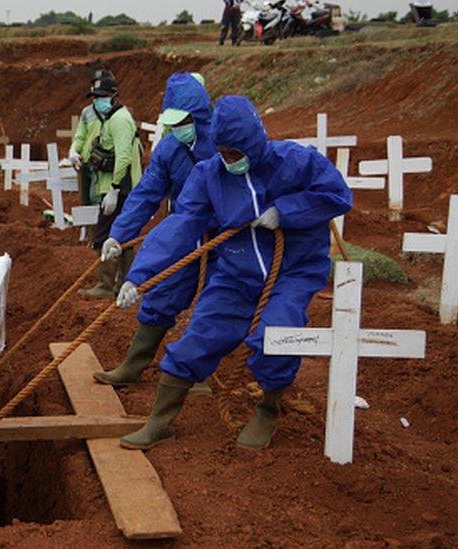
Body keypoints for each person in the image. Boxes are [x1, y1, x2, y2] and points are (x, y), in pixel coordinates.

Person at [117, 96, 352, 451]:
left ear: (253, 142)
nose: (229, 160)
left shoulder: (296, 162)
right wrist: (140, 275)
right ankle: (160, 422)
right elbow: (182, 223)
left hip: (292, 270)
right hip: (237, 270)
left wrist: (285, 211)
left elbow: (337, 195)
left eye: (235, 152)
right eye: (223, 152)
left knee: (274, 335)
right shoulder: (209, 175)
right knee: (200, 335)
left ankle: (268, 409)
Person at [94, 72, 217, 386]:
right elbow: (147, 194)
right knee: (164, 292)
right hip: (184, 232)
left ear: (199, 115)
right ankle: (133, 367)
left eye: (183, 122)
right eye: (172, 123)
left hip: (225, 235)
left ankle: (197, 376)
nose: (177, 129)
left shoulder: (223, 141)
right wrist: (118, 235)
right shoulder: (169, 149)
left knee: (215, 303)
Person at [76, 75, 142, 300]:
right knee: (119, 232)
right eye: (95, 97)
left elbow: (123, 157)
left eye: (101, 96)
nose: (97, 101)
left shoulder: (120, 120)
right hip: (112, 185)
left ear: (113, 96)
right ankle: (118, 283)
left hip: (121, 187)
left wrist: (114, 189)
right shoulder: (109, 117)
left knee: (107, 233)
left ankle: (107, 285)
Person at [65, 68, 114, 207]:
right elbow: (80, 137)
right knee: (88, 206)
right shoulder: (87, 112)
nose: (99, 99)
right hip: (88, 167)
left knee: (102, 207)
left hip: (107, 169)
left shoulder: (119, 113)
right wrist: (73, 151)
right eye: (96, 96)